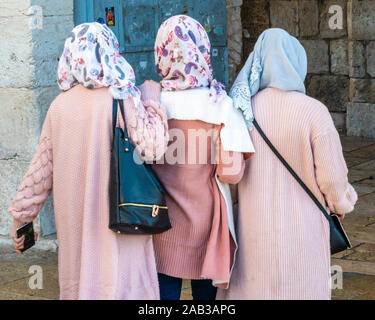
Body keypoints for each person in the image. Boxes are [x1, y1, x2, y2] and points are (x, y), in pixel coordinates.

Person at [8, 22, 169, 300]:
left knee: (82, 281)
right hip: (122, 218)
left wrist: (22, 218)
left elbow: (40, 170)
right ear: (109, 50)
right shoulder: (123, 96)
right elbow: (154, 147)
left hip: (76, 220)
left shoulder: (59, 106)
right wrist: (152, 99)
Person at [217, 28, 358, 300]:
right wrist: (341, 203)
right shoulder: (314, 112)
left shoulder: (242, 110)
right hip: (302, 236)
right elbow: (331, 178)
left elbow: (229, 176)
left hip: (253, 231)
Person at [151, 15, 255, 300]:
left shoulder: (150, 101)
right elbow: (231, 173)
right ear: (203, 51)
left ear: (161, 51)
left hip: (160, 222)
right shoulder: (220, 106)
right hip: (207, 224)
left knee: (164, 292)